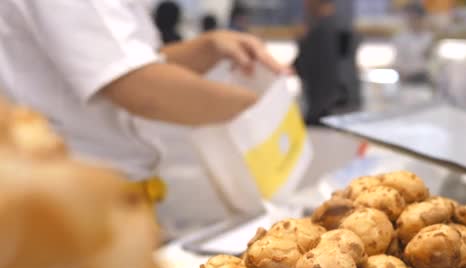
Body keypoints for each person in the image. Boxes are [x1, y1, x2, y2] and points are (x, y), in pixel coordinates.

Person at [0, 1, 285, 188]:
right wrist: (262, 106)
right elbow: (137, 86)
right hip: (73, 201)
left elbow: (132, 64)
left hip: (98, 192)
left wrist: (209, 47)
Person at [294, 0, 361, 125]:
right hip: (349, 107)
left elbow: (303, 68)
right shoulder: (346, 27)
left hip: (323, 112)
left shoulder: (317, 32)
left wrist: (301, 41)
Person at [393, 2, 434, 83]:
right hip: (405, 78)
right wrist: (401, 73)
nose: (412, 21)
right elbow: (398, 60)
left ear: (422, 18)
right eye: (409, 18)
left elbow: (432, 61)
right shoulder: (400, 38)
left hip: (424, 78)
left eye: (415, 18)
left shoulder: (429, 38)